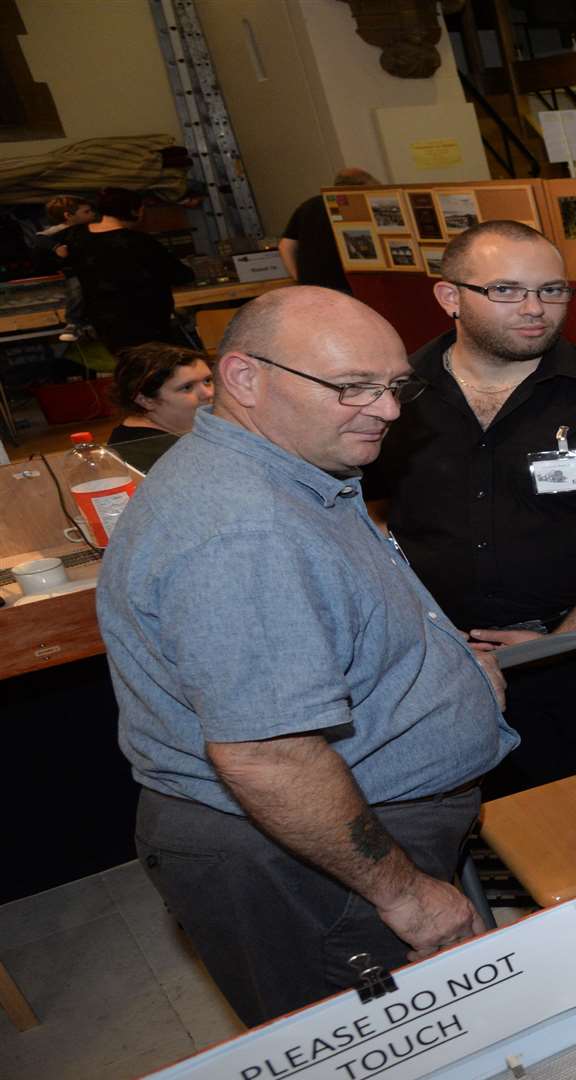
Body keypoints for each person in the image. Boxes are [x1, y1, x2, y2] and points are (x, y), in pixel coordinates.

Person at [99, 286, 515, 1028]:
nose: (387, 410)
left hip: (343, 833)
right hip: (312, 860)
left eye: (394, 386)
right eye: (352, 387)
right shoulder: (244, 531)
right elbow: (270, 757)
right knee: (384, 1051)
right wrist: (409, 897)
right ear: (245, 378)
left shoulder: (290, 470)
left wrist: (450, 663)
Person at [364, 220, 576, 792]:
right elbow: (364, 513)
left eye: (553, 290)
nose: (535, 308)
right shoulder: (392, 398)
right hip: (439, 665)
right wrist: (417, 621)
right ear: (449, 298)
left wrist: (566, 637)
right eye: (506, 290)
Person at [61, 187, 193, 350]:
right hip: (147, 322)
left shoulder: (77, 238)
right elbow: (181, 275)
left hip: (104, 325)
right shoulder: (139, 242)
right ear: (133, 211)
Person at [107, 342, 216, 471]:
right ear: (146, 401)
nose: (209, 393)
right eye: (187, 387)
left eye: (207, 381)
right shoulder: (146, 453)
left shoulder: (179, 431)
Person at [279, 167, 375, 292]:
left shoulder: (309, 205)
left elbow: (285, 246)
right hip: (347, 284)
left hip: (314, 287)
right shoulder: (357, 205)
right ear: (361, 186)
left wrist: (299, 278)